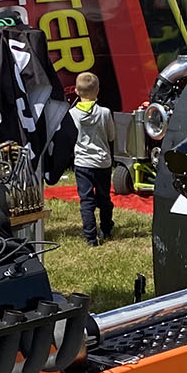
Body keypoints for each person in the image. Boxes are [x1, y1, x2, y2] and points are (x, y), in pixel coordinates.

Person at [69, 71, 116, 247]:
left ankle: (90, 236)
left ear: (76, 91)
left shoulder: (72, 114)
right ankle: (106, 229)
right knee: (104, 198)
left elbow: (70, 138)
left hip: (82, 163)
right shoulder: (105, 112)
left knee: (86, 200)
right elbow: (111, 136)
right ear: (97, 90)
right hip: (102, 162)